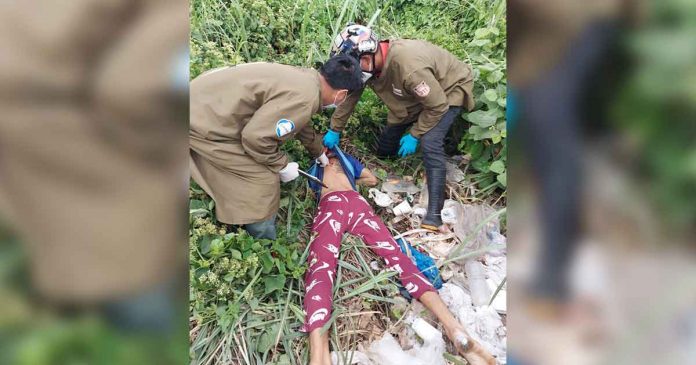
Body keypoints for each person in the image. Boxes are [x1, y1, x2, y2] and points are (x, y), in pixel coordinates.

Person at [301, 148, 495, 365]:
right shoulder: (347, 161)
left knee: (321, 270)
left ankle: (318, 356)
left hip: (331, 206)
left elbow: (312, 192)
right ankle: (454, 328)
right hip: (357, 204)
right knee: (399, 260)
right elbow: (372, 179)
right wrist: (352, 180)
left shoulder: (313, 169)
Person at [189, 55, 363, 240]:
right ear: (342, 94)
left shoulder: (306, 78)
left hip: (203, 104)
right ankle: (261, 241)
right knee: (263, 179)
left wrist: (318, 151)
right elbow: (255, 139)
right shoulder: (305, 98)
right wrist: (281, 165)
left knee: (261, 160)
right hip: (201, 122)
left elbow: (299, 120)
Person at [322, 24, 475, 233]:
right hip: (413, 95)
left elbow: (438, 105)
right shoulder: (370, 65)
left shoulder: (408, 67)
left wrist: (415, 134)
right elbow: (351, 96)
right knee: (387, 142)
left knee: (430, 142)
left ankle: (434, 216)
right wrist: (335, 128)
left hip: (448, 91)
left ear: (368, 56)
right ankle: (392, 167)